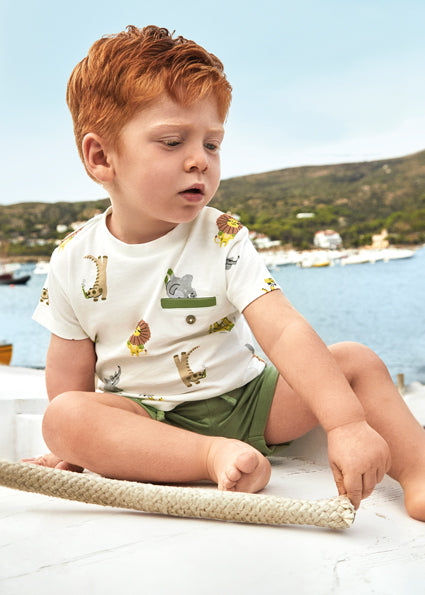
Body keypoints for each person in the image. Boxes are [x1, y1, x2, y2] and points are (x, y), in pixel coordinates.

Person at [29, 25, 425, 521]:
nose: (200, 160)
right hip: (146, 422)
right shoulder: (73, 259)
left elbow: (282, 329)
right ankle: (210, 456)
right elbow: (69, 377)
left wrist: (346, 423)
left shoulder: (221, 236)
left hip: (248, 402)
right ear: (101, 157)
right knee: (64, 416)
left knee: (356, 361)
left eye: (212, 144)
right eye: (172, 141)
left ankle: (419, 472)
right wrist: (73, 448)